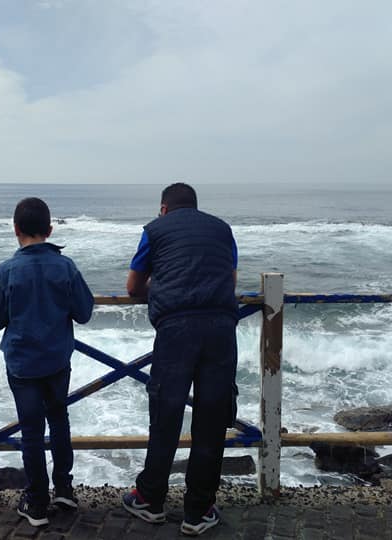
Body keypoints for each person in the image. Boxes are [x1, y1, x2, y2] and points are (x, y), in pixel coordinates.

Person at [122, 183, 238, 536]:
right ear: (195, 206)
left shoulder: (154, 230)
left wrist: (160, 288)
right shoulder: (222, 229)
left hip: (176, 330)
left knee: (166, 415)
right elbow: (231, 279)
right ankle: (198, 511)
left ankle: (149, 499)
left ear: (163, 208)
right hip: (221, 328)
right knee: (212, 419)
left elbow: (133, 287)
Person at [0, 197, 94, 527]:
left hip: (22, 363)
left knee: (31, 431)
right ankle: (65, 489)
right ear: (49, 229)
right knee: (59, 421)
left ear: (16, 229)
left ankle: (36, 503)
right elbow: (84, 311)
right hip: (57, 359)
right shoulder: (66, 267)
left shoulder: (5, 271)